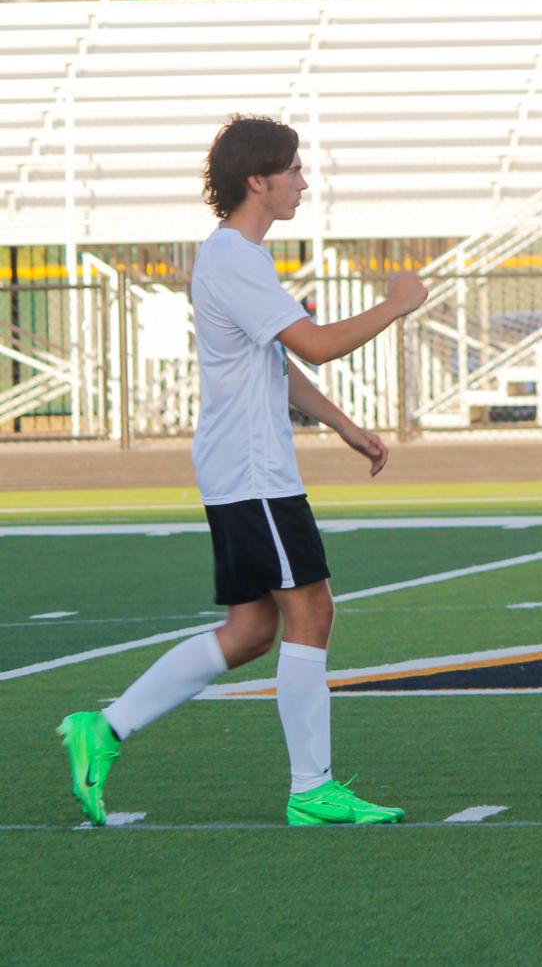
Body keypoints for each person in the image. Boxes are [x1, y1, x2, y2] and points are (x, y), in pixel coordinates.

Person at [57, 115, 428, 828]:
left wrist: (344, 425)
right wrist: (395, 304)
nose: (302, 182)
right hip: (253, 472)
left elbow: (279, 364)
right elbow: (315, 345)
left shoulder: (237, 258)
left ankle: (102, 728)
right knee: (312, 609)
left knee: (253, 628)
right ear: (256, 179)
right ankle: (311, 788)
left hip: (245, 468)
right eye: (292, 169)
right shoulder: (234, 258)